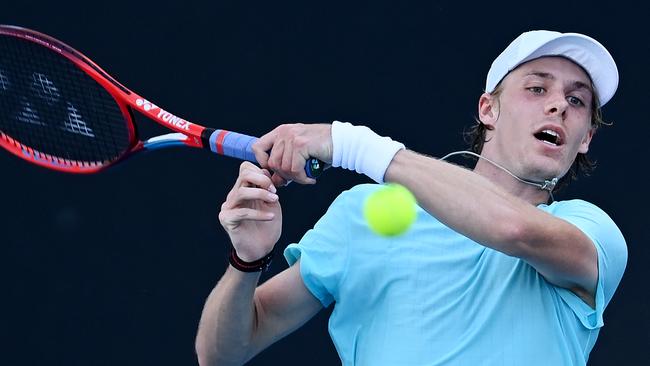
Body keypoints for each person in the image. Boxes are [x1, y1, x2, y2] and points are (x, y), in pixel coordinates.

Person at [195, 30, 628, 365]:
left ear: (586, 137)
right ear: (488, 110)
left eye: (577, 100)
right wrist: (246, 261)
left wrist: (352, 145)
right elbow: (221, 354)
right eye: (538, 89)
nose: (559, 106)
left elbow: (513, 229)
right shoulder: (360, 214)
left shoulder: (590, 232)